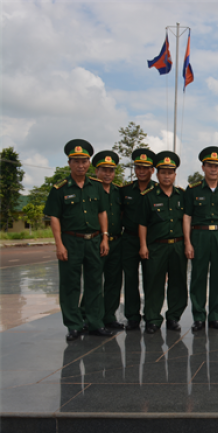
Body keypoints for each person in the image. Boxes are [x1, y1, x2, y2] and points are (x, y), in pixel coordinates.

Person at [44, 139, 114, 341]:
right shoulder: (60, 188)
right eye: (76, 161)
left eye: (84, 161)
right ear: (69, 163)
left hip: (93, 240)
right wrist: (59, 244)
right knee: (70, 284)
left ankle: (94, 323)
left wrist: (105, 238)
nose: (81, 165)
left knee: (94, 283)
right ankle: (74, 325)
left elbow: (102, 212)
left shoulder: (97, 186)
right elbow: (54, 217)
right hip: (70, 241)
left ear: (89, 162)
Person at [184, 146, 218, 331]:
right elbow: (187, 217)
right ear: (203, 167)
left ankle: (215, 316)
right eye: (209, 165)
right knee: (198, 276)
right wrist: (188, 242)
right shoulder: (192, 190)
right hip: (199, 235)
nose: (213, 169)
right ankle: (198, 316)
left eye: (217, 165)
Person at [138, 151, 187, 334]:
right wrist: (143, 245)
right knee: (153, 282)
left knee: (178, 282)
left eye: (170, 172)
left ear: (175, 174)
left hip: (177, 245)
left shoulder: (182, 195)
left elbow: (186, 221)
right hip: (156, 246)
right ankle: (152, 318)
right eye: (163, 172)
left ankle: (174, 317)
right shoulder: (148, 196)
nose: (167, 176)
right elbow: (142, 223)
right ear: (157, 174)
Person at [84, 150, 125, 329]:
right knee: (94, 281)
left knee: (114, 281)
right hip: (96, 241)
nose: (108, 174)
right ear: (96, 171)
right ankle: (90, 317)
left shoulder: (119, 191)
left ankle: (109, 316)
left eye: (111, 170)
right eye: (104, 170)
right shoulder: (90, 189)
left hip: (117, 241)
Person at [121, 148, 156, 330]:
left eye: (146, 168)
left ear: (152, 170)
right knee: (130, 278)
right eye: (138, 167)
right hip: (129, 240)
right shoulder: (125, 190)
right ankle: (133, 316)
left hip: (152, 241)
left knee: (151, 279)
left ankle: (151, 315)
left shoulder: (158, 190)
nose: (141, 171)